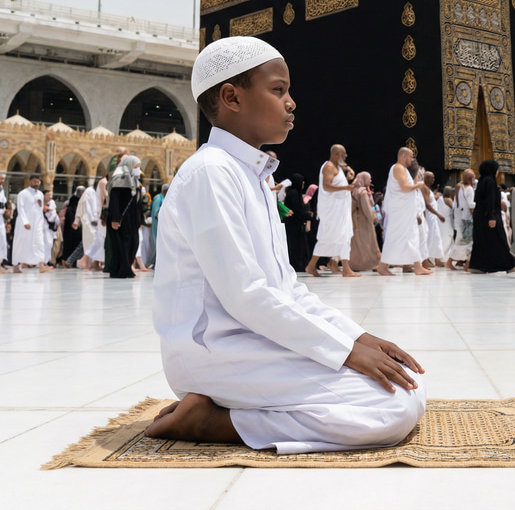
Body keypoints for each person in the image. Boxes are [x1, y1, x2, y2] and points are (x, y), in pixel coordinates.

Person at [148, 35, 425, 452]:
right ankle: (211, 423)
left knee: (407, 387)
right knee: (391, 410)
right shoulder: (211, 173)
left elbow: (286, 290)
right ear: (231, 97)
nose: (291, 102)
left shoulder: (253, 175)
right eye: (278, 90)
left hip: (256, 340)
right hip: (214, 352)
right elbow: (246, 297)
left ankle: (229, 414)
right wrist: (345, 352)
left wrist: (358, 338)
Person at [305, 145, 359, 278]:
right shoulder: (329, 166)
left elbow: (338, 185)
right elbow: (327, 186)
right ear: (336, 154)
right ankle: (313, 266)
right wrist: (347, 187)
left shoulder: (338, 168)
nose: (346, 156)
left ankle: (344, 268)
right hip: (333, 211)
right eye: (343, 154)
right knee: (328, 238)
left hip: (340, 210)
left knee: (343, 237)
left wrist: (348, 180)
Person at [377, 148, 429, 276]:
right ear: (404, 156)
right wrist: (418, 185)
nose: (412, 160)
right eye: (411, 157)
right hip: (399, 213)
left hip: (405, 212)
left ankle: (417, 266)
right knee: (396, 238)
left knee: (411, 237)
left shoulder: (404, 170)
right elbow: (405, 188)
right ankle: (382, 266)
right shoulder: (398, 168)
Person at [468, 159, 515, 273]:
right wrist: (492, 217)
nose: (497, 172)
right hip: (489, 216)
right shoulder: (490, 181)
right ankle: (509, 265)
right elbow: (490, 200)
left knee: (482, 241)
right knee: (499, 239)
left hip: (480, 216)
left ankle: (477, 266)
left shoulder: (482, 181)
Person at [105, 155, 143, 279]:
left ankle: (127, 269)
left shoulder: (135, 181)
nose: (138, 169)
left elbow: (138, 203)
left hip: (132, 219)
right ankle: (122, 270)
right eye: (136, 166)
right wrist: (115, 219)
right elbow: (114, 201)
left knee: (134, 242)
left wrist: (139, 220)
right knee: (122, 244)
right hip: (121, 219)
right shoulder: (118, 179)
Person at [12, 176, 52, 273]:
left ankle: (42, 265)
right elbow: (20, 208)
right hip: (24, 225)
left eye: (38, 182)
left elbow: (40, 209)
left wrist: (40, 205)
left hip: (37, 224)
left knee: (39, 243)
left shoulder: (40, 194)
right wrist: (25, 222)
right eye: (34, 182)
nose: (36, 184)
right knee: (21, 243)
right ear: (30, 182)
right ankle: (15, 266)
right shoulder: (23, 193)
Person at [349, 171, 382, 272]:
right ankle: (372, 264)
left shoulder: (355, 190)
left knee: (358, 244)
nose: (370, 180)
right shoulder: (363, 192)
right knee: (368, 243)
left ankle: (356, 264)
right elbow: (367, 208)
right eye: (369, 178)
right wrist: (374, 218)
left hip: (356, 219)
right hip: (364, 221)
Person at [283, 174, 312, 272]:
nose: (303, 183)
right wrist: (308, 215)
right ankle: (297, 266)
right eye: (302, 181)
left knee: (299, 246)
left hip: (296, 225)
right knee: (296, 246)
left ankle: (300, 265)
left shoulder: (295, 193)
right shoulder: (293, 194)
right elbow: (296, 210)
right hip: (293, 225)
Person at [448, 169, 476, 270]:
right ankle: (453, 262)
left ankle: (466, 264)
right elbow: (471, 205)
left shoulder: (458, 187)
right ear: (471, 178)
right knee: (466, 242)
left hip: (459, 219)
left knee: (463, 241)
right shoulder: (469, 189)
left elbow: (456, 204)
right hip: (466, 220)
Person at [422, 172, 446, 267]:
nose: (433, 180)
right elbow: (427, 205)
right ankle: (425, 260)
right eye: (432, 178)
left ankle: (437, 260)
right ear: (427, 178)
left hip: (433, 218)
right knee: (429, 239)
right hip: (429, 218)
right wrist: (438, 214)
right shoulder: (424, 188)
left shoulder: (428, 189)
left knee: (436, 239)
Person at [60, 187, 84, 266]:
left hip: (73, 233)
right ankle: (67, 261)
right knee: (70, 247)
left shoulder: (73, 209)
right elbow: (71, 221)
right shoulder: (70, 210)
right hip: (71, 233)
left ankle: (72, 262)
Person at [147, 183, 168, 268]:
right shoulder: (158, 198)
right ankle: (152, 262)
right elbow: (156, 212)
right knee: (157, 243)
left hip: (163, 225)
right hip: (157, 224)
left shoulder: (164, 198)